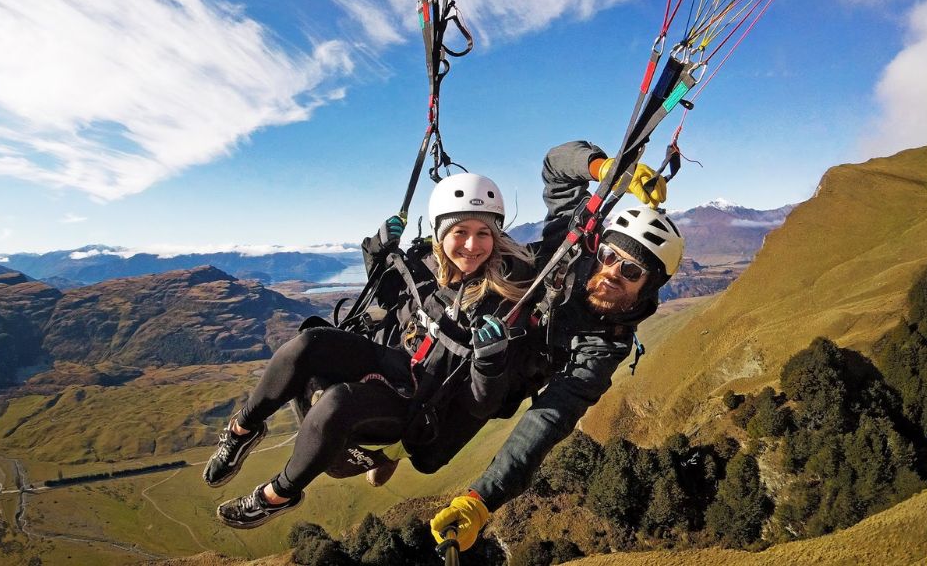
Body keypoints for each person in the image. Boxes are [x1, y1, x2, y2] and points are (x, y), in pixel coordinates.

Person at [203, 172, 535, 529]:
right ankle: (243, 429)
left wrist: (489, 362)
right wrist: (378, 247)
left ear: (496, 236)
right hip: (389, 359)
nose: (472, 245)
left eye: (483, 233)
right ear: (441, 234)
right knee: (308, 343)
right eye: (461, 232)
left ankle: (277, 495)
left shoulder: (506, 302)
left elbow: (482, 404)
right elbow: (386, 292)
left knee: (338, 404)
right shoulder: (427, 264)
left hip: (420, 402)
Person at [427, 141, 684, 550]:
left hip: (494, 383)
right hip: (463, 322)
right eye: (608, 255)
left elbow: (550, 419)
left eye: (631, 270)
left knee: (428, 449)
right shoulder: (564, 247)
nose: (611, 271)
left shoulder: (604, 345)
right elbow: (556, 168)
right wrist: (606, 169)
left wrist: (483, 498)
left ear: (647, 286)